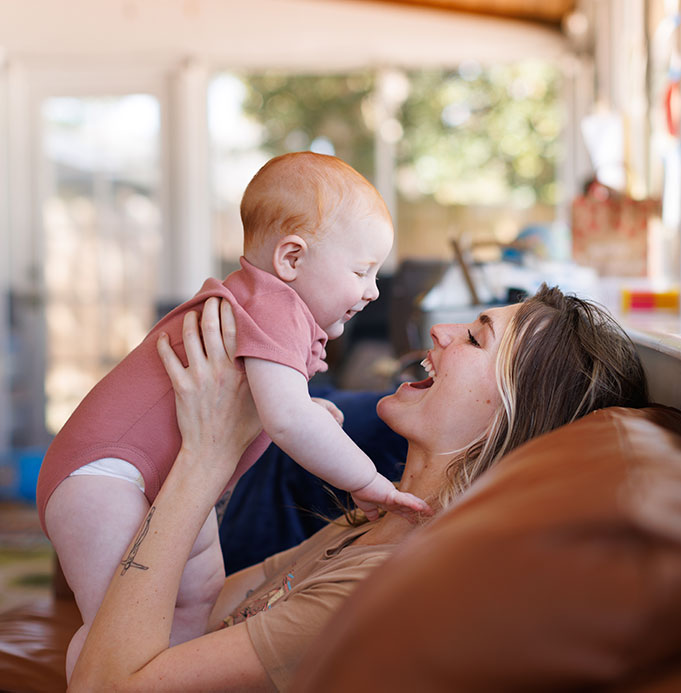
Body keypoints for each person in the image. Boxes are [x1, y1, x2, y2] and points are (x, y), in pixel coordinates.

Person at [69, 284, 648, 691]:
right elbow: (192, 612)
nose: (442, 331)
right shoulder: (378, 523)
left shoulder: (384, 584)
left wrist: (204, 458)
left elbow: (104, 685)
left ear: (510, 415)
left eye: (475, 339)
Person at [36, 151, 429, 680]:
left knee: (198, 595)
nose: (373, 290)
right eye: (362, 271)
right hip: (104, 475)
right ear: (291, 258)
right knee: (115, 619)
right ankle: (95, 679)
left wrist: (305, 407)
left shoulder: (267, 306)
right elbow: (285, 419)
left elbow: (270, 402)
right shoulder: (277, 305)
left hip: (151, 479)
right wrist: (367, 481)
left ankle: (150, 678)